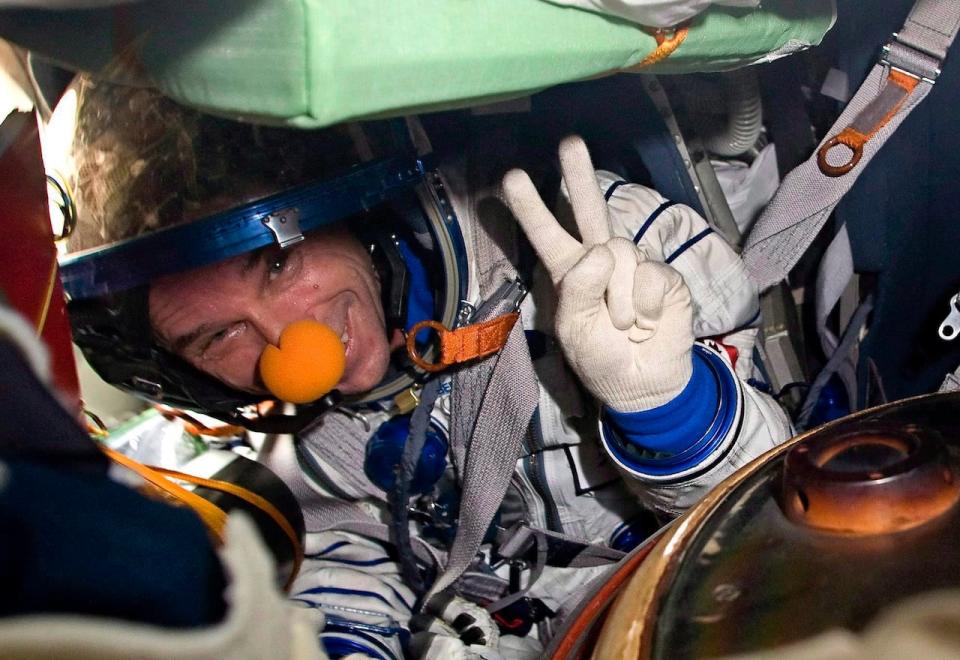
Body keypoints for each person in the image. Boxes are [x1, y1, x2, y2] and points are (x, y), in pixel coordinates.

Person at [58, 75, 792, 659]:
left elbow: (777, 516)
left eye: (279, 264)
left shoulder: (608, 253)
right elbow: (353, 542)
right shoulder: (305, 430)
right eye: (220, 335)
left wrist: (664, 405)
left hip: (683, 594)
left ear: (356, 210)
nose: (287, 343)